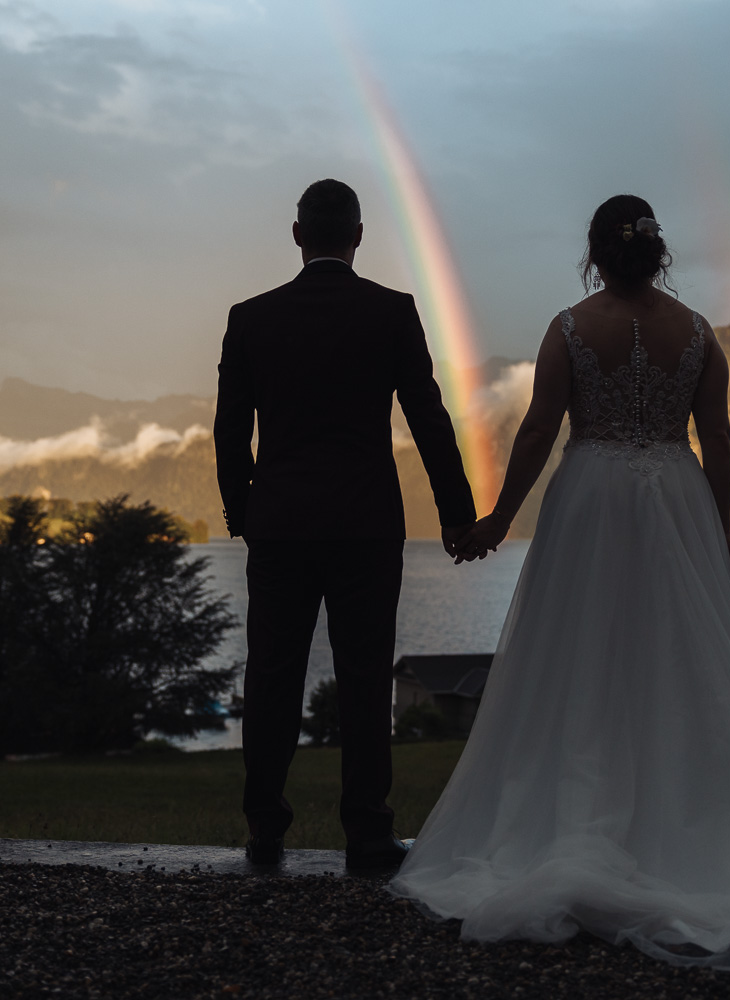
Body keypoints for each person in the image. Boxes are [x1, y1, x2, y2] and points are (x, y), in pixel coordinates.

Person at [389, 195, 730, 971]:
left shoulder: (570, 329)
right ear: (658, 252)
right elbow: (715, 438)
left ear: (594, 252)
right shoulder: (699, 336)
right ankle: (691, 820)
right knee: (680, 659)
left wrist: (497, 520)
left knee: (578, 655)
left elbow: (539, 429)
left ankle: (579, 822)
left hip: (589, 499)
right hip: (676, 498)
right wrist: (717, 528)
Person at [214, 179, 476, 869]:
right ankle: (367, 832)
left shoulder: (251, 318)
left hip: (278, 525)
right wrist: (457, 516)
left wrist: (243, 512)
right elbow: (428, 420)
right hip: (365, 525)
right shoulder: (391, 313)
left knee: (271, 674)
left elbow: (230, 430)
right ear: (358, 237)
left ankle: (264, 827)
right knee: (365, 679)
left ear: (297, 235)